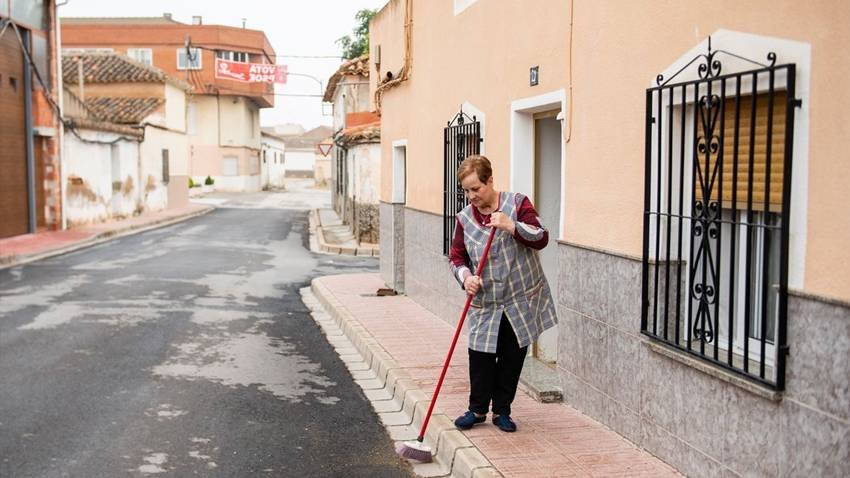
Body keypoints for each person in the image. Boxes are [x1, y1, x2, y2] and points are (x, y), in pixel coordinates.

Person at [448, 154, 558, 433]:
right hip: (486, 302)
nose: (471, 195)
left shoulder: (517, 204)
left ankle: (502, 411)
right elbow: (456, 258)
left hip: (520, 299)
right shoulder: (464, 219)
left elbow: (541, 238)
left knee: (512, 356)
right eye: (467, 190)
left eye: (476, 188)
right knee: (481, 356)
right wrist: (467, 277)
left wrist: (511, 225)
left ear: (490, 181)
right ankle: (477, 410)